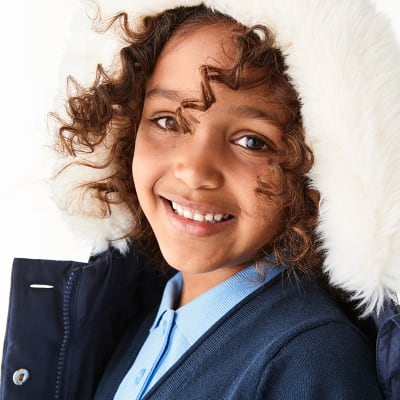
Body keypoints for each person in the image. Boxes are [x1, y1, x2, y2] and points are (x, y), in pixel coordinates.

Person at [1, 1, 400, 399]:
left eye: (251, 141)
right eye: (167, 121)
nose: (194, 170)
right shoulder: (143, 313)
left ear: (316, 169)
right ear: (126, 129)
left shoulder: (309, 362)